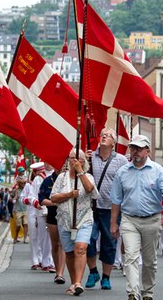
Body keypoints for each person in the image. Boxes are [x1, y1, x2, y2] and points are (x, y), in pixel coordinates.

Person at [110, 135, 163, 300]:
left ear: (147, 151)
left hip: (152, 219)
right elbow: (116, 200)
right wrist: (113, 223)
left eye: (139, 148)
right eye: (133, 148)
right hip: (129, 219)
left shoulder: (158, 170)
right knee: (131, 256)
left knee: (149, 261)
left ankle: (147, 292)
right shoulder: (122, 172)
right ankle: (133, 292)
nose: (135, 152)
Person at [51, 149, 99, 296]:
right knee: (70, 253)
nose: (74, 161)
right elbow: (53, 198)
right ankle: (73, 283)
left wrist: (80, 172)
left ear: (83, 161)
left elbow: (91, 190)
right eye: (72, 158)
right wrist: (69, 194)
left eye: (78, 159)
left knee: (80, 248)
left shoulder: (88, 176)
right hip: (65, 220)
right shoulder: (61, 178)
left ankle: (78, 282)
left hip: (83, 219)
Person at [85, 127, 128, 290]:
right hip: (91, 207)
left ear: (114, 143)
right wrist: (84, 163)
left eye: (108, 135)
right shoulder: (90, 157)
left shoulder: (121, 160)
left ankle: (106, 277)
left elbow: (126, 182)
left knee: (109, 243)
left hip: (111, 209)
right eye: (103, 134)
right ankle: (93, 271)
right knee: (88, 240)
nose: (104, 137)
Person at [22, 162, 55, 272]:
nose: (47, 164)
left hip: (55, 211)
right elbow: (31, 196)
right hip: (39, 212)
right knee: (41, 237)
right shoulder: (37, 179)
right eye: (45, 161)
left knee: (54, 238)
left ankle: (52, 262)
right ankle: (42, 261)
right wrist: (36, 203)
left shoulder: (59, 176)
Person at [39, 166, 66, 284]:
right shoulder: (47, 180)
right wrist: (54, 202)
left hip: (65, 215)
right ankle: (57, 270)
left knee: (64, 244)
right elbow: (41, 199)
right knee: (55, 244)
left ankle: (60, 273)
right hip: (52, 215)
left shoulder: (69, 180)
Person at [13, 175, 29, 244]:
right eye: (22, 183)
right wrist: (15, 196)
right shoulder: (16, 190)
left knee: (26, 224)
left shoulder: (27, 190)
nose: (23, 184)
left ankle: (25, 238)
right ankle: (15, 237)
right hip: (18, 210)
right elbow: (13, 198)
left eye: (24, 183)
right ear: (19, 183)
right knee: (18, 225)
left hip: (25, 209)